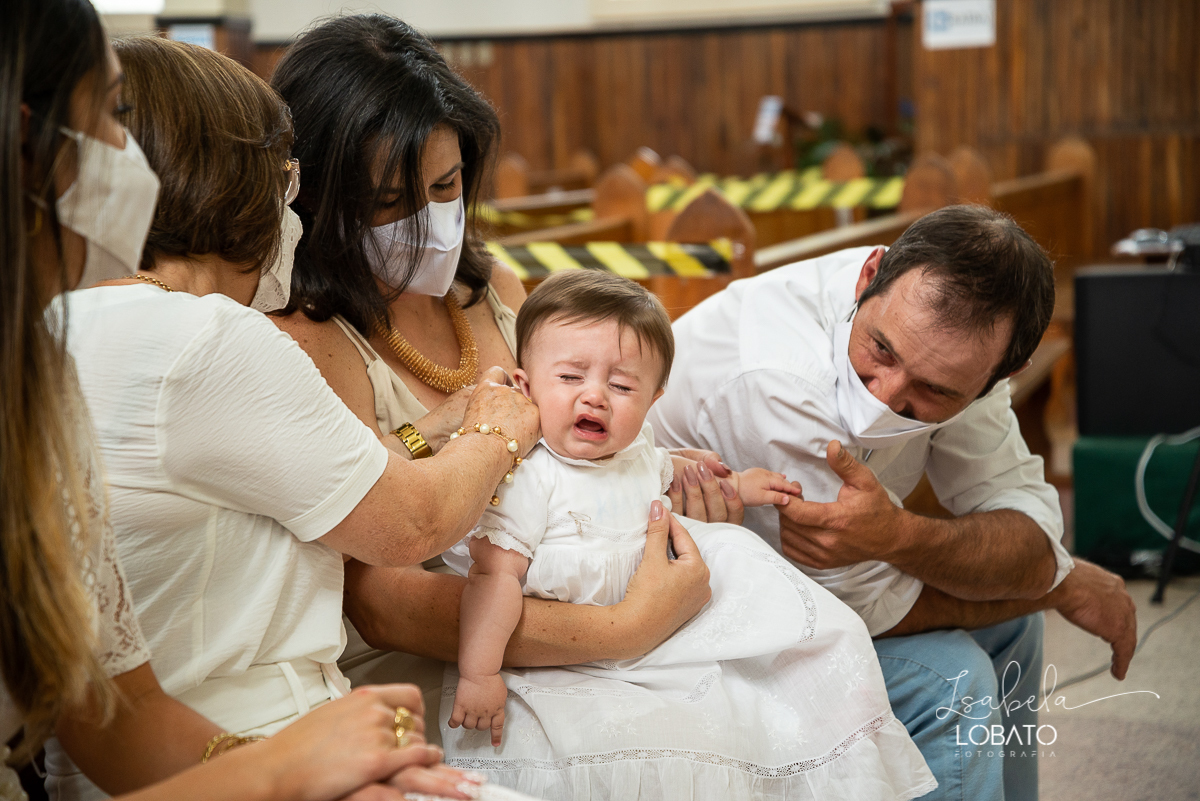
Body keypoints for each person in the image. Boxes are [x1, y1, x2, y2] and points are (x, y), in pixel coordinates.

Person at [41, 34, 539, 801]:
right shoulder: (208, 335)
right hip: (260, 728)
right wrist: (500, 425)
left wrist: (430, 433)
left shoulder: (59, 326)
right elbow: (407, 526)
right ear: (237, 183)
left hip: (177, 748)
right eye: (284, 181)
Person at [270, 14, 722, 734]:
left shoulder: (493, 287)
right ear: (317, 197)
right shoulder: (308, 336)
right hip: (433, 669)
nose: (427, 224)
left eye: (446, 184)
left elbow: (576, 436)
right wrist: (620, 626)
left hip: (567, 601)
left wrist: (639, 472)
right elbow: (381, 601)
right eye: (389, 202)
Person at [647, 205, 1139, 801]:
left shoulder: (952, 338)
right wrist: (1061, 584)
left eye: (934, 390)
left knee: (1017, 624)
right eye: (879, 350)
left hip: (789, 582)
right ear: (868, 276)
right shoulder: (778, 383)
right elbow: (866, 611)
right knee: (954, 680)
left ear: (1002, 373)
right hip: (674, 601)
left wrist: (901, 537)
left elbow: (1023, 520)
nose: (882, 400)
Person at [433, 270, 936, 801]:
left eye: (622, 386)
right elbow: (493, 579)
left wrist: (745, 484)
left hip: (660, 633)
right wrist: (480, 672)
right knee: (637, 748)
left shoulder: (635, 454)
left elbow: (668, 473)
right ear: (524, 385)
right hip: (563, 658)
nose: (596, 396)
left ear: (653, 398)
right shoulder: (527, 478)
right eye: (570, 378)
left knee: (755, 699)